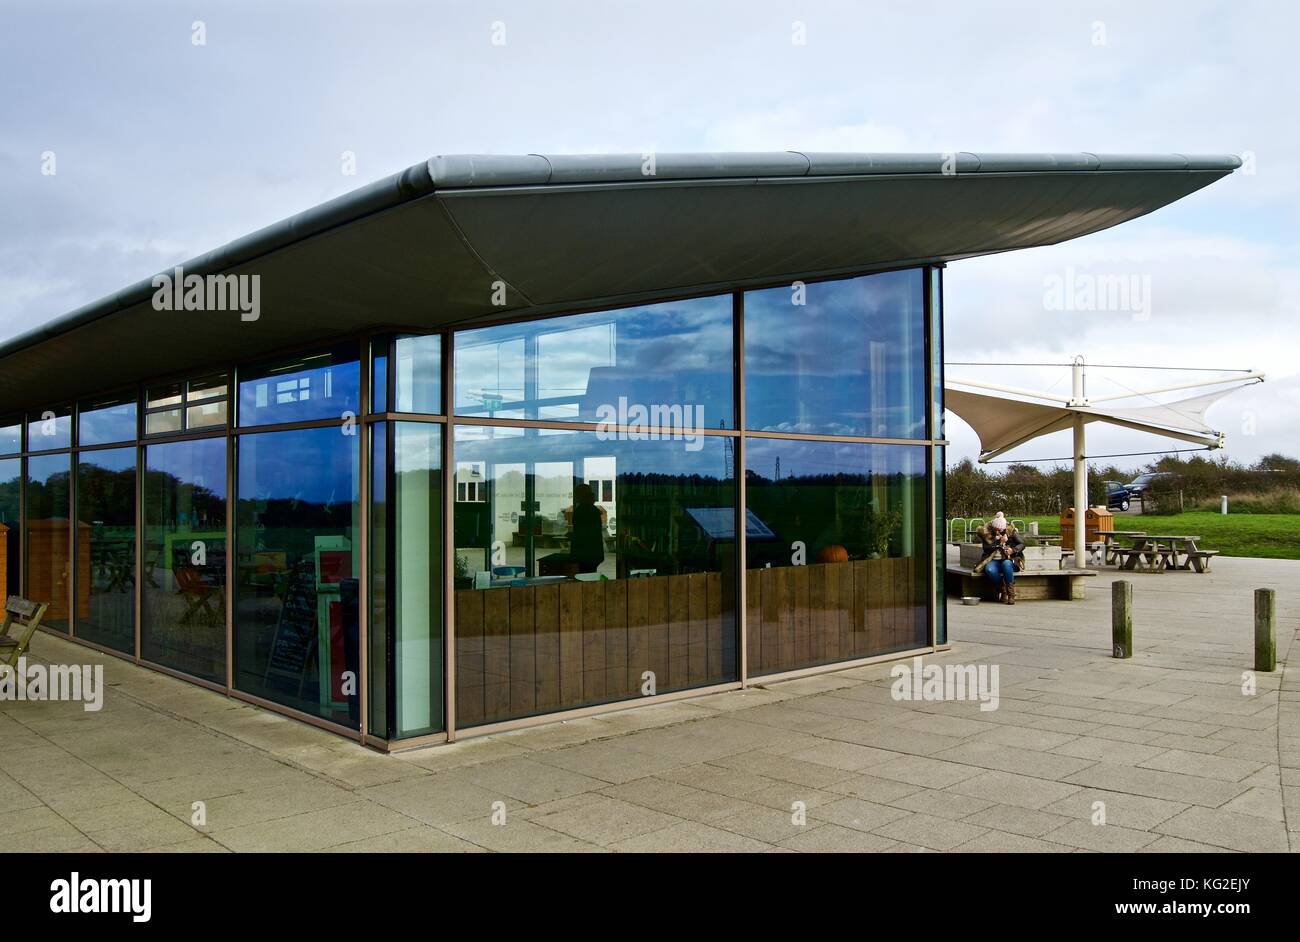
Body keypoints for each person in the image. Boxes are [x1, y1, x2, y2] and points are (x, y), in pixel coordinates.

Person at [975, 512, 1024, 604]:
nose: (998, 531)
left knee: (1006, 564)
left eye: (1001, 529)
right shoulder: (986, 533)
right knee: (989, 569)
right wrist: (998, 543)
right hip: (993, 560)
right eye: (996, 529)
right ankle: (1003, 589)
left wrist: (1013, 550)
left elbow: (1022, 544)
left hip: (1010, 559)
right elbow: (986, 549)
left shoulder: (1010, 531)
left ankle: (1011, 595)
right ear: (993, 527)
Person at [569, 483, 606, 574]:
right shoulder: (593, 510)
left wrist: (573, 536)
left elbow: (583, 533)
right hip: (593, 553)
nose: (575, 497)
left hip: (584, 554)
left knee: (584, 577)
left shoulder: (582, 510)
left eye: (576, 494)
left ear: (580, 495)